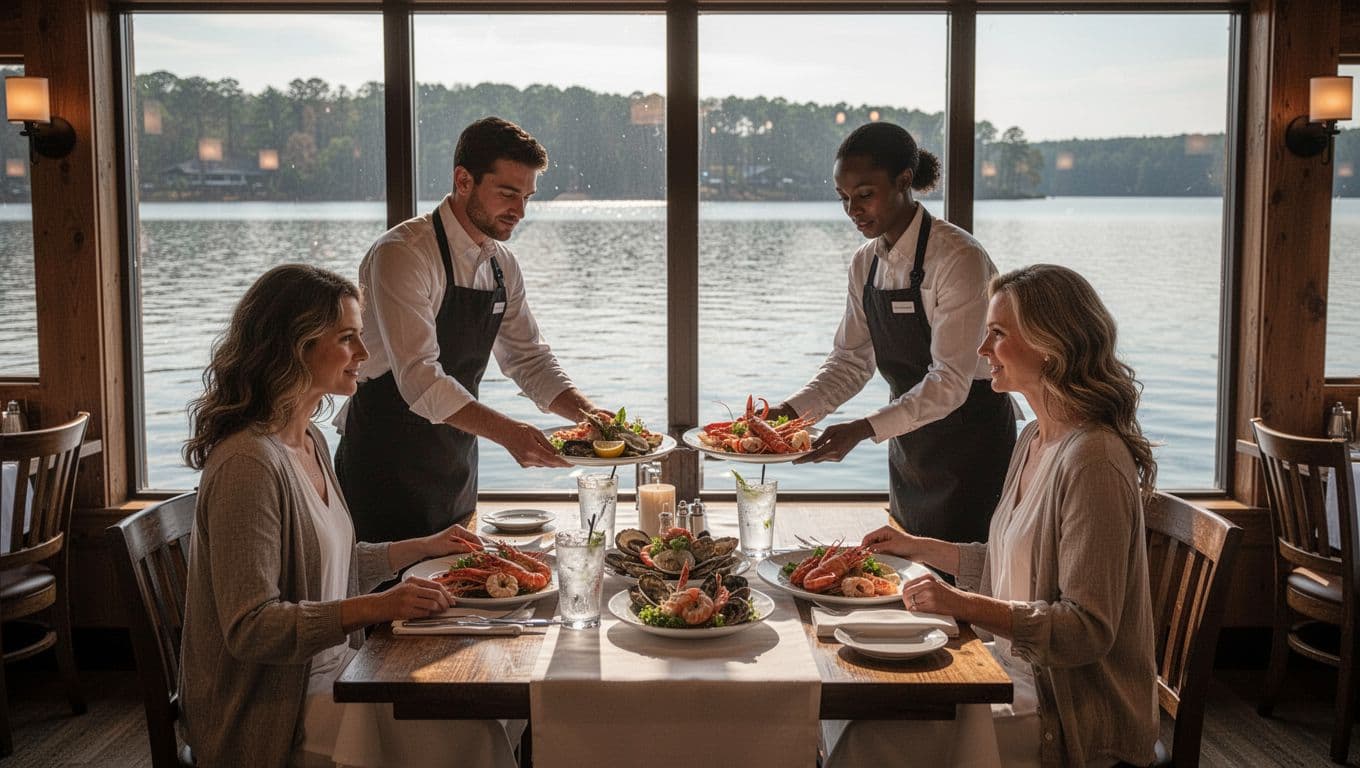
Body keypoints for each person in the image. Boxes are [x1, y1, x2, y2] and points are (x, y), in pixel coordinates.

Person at [178, 264, 522, 768]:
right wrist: (379, 607)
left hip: (335, 672)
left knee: (490, 705)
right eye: (347, 338)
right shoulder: (248, 465)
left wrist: (422, 547)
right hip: (272, 711)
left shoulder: (310, 440)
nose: (363, 354)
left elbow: (326, 568)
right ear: (295, 348)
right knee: (465, 730)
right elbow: (250, 628)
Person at [825, 264, 1158, 768]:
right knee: (850, 706)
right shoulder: (1033, 439)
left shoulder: (1094, 461)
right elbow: (1015, 567)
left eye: (997, 334)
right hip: (1005, 668)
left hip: (1067, 714)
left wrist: (965, 604)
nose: (981, 351)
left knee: (865, 737)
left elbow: (1086, 630)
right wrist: (921, 548)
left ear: (1052, 345)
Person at [335, 116, 606, 543]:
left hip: (456, 471)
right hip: (384, 471)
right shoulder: (402, 254)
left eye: (527, 197)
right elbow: (420, 379)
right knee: (391, 606)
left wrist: (590, 416)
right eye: (508, 194)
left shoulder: (502, 264)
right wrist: (511, 434)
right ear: (463, 180)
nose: (519, 210)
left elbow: (528, 358)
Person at [769, 122, 1015, 544]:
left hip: (971, 448)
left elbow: (950, 383)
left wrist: (863, 429)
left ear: (904, 181)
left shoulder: (959, 259)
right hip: (909, 451)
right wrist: (785, 417)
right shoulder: (865, 263)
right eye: (844, 198)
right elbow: (850, 362)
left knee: (967, 581)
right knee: (910, 577)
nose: (853, 210)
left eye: (865, 195)